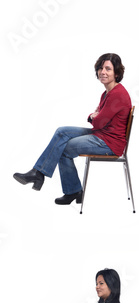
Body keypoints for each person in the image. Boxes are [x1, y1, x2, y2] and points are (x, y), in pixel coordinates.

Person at [14, 53, 132, 205]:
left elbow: (97, 122)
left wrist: (93, 116)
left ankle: (70, 189)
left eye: (108, 69)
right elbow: (97, 119)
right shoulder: (107, 93)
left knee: (62, 147)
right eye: (101, 68)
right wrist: (94, 116)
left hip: (109, 143)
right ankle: (39, 173)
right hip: (102, 135)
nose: (103, 72)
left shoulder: (117, 94)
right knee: (61, 132)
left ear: (116, 73)